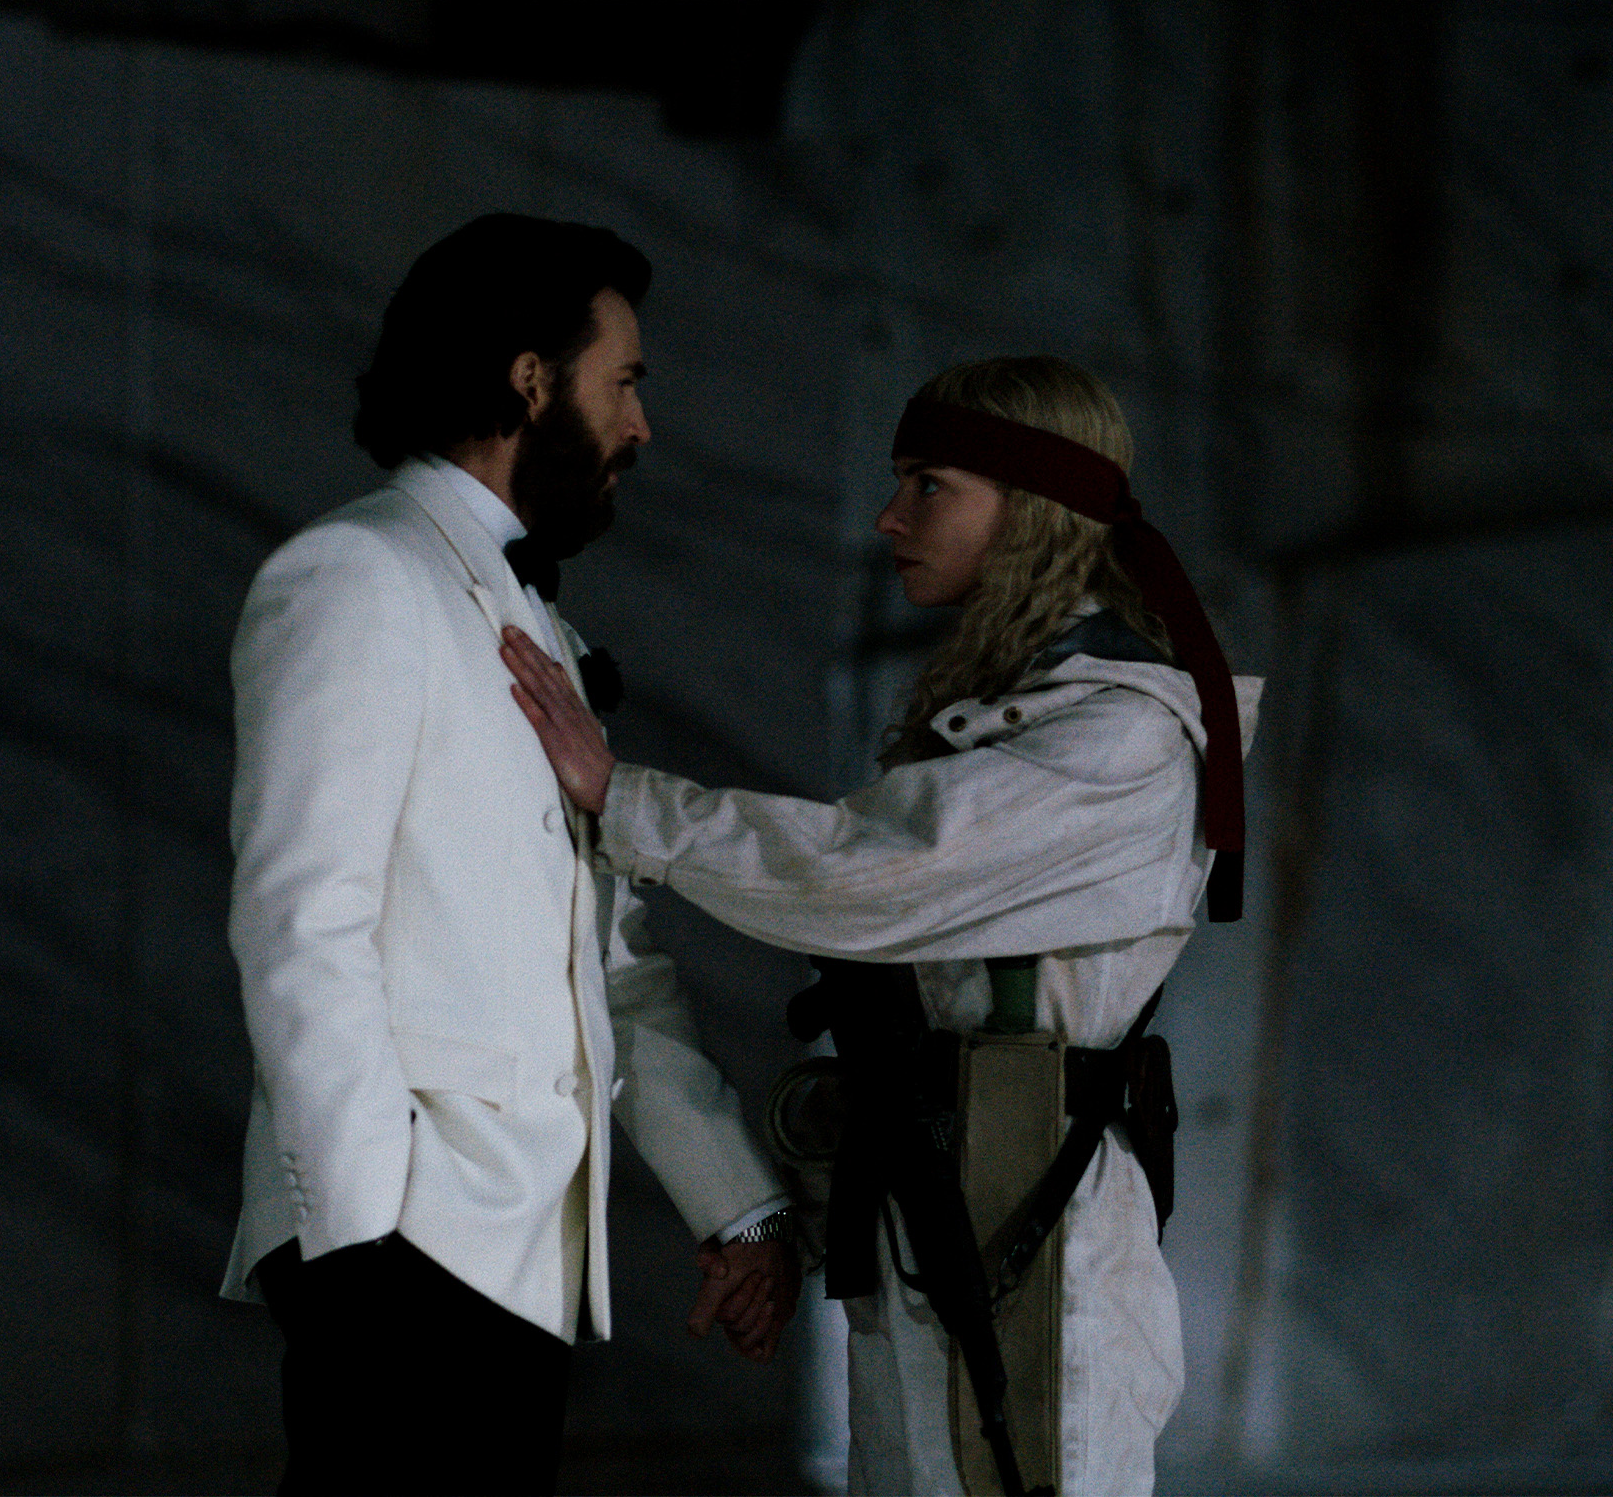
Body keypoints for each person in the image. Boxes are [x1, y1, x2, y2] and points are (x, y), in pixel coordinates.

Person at [501, 355, 1263, 1497]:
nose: (889, 517)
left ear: (1031, 508)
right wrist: (779, 1227)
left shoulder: (1119, 739)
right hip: (946, 1223)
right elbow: (924, 1017)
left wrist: (626, 800)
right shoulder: (1022, 712)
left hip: (1034, 1250)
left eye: (928, 484)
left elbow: (871, 872)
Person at [220, 214, 798, 1497]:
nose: (641, 426)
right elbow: (298, 922)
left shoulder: (529, 614)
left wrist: (735, 1201)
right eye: (623, 382)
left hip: (523, 1253)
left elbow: (609, 957)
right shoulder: (354, 573)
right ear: (530, 380)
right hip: (404, 1246)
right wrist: (357, 1240)